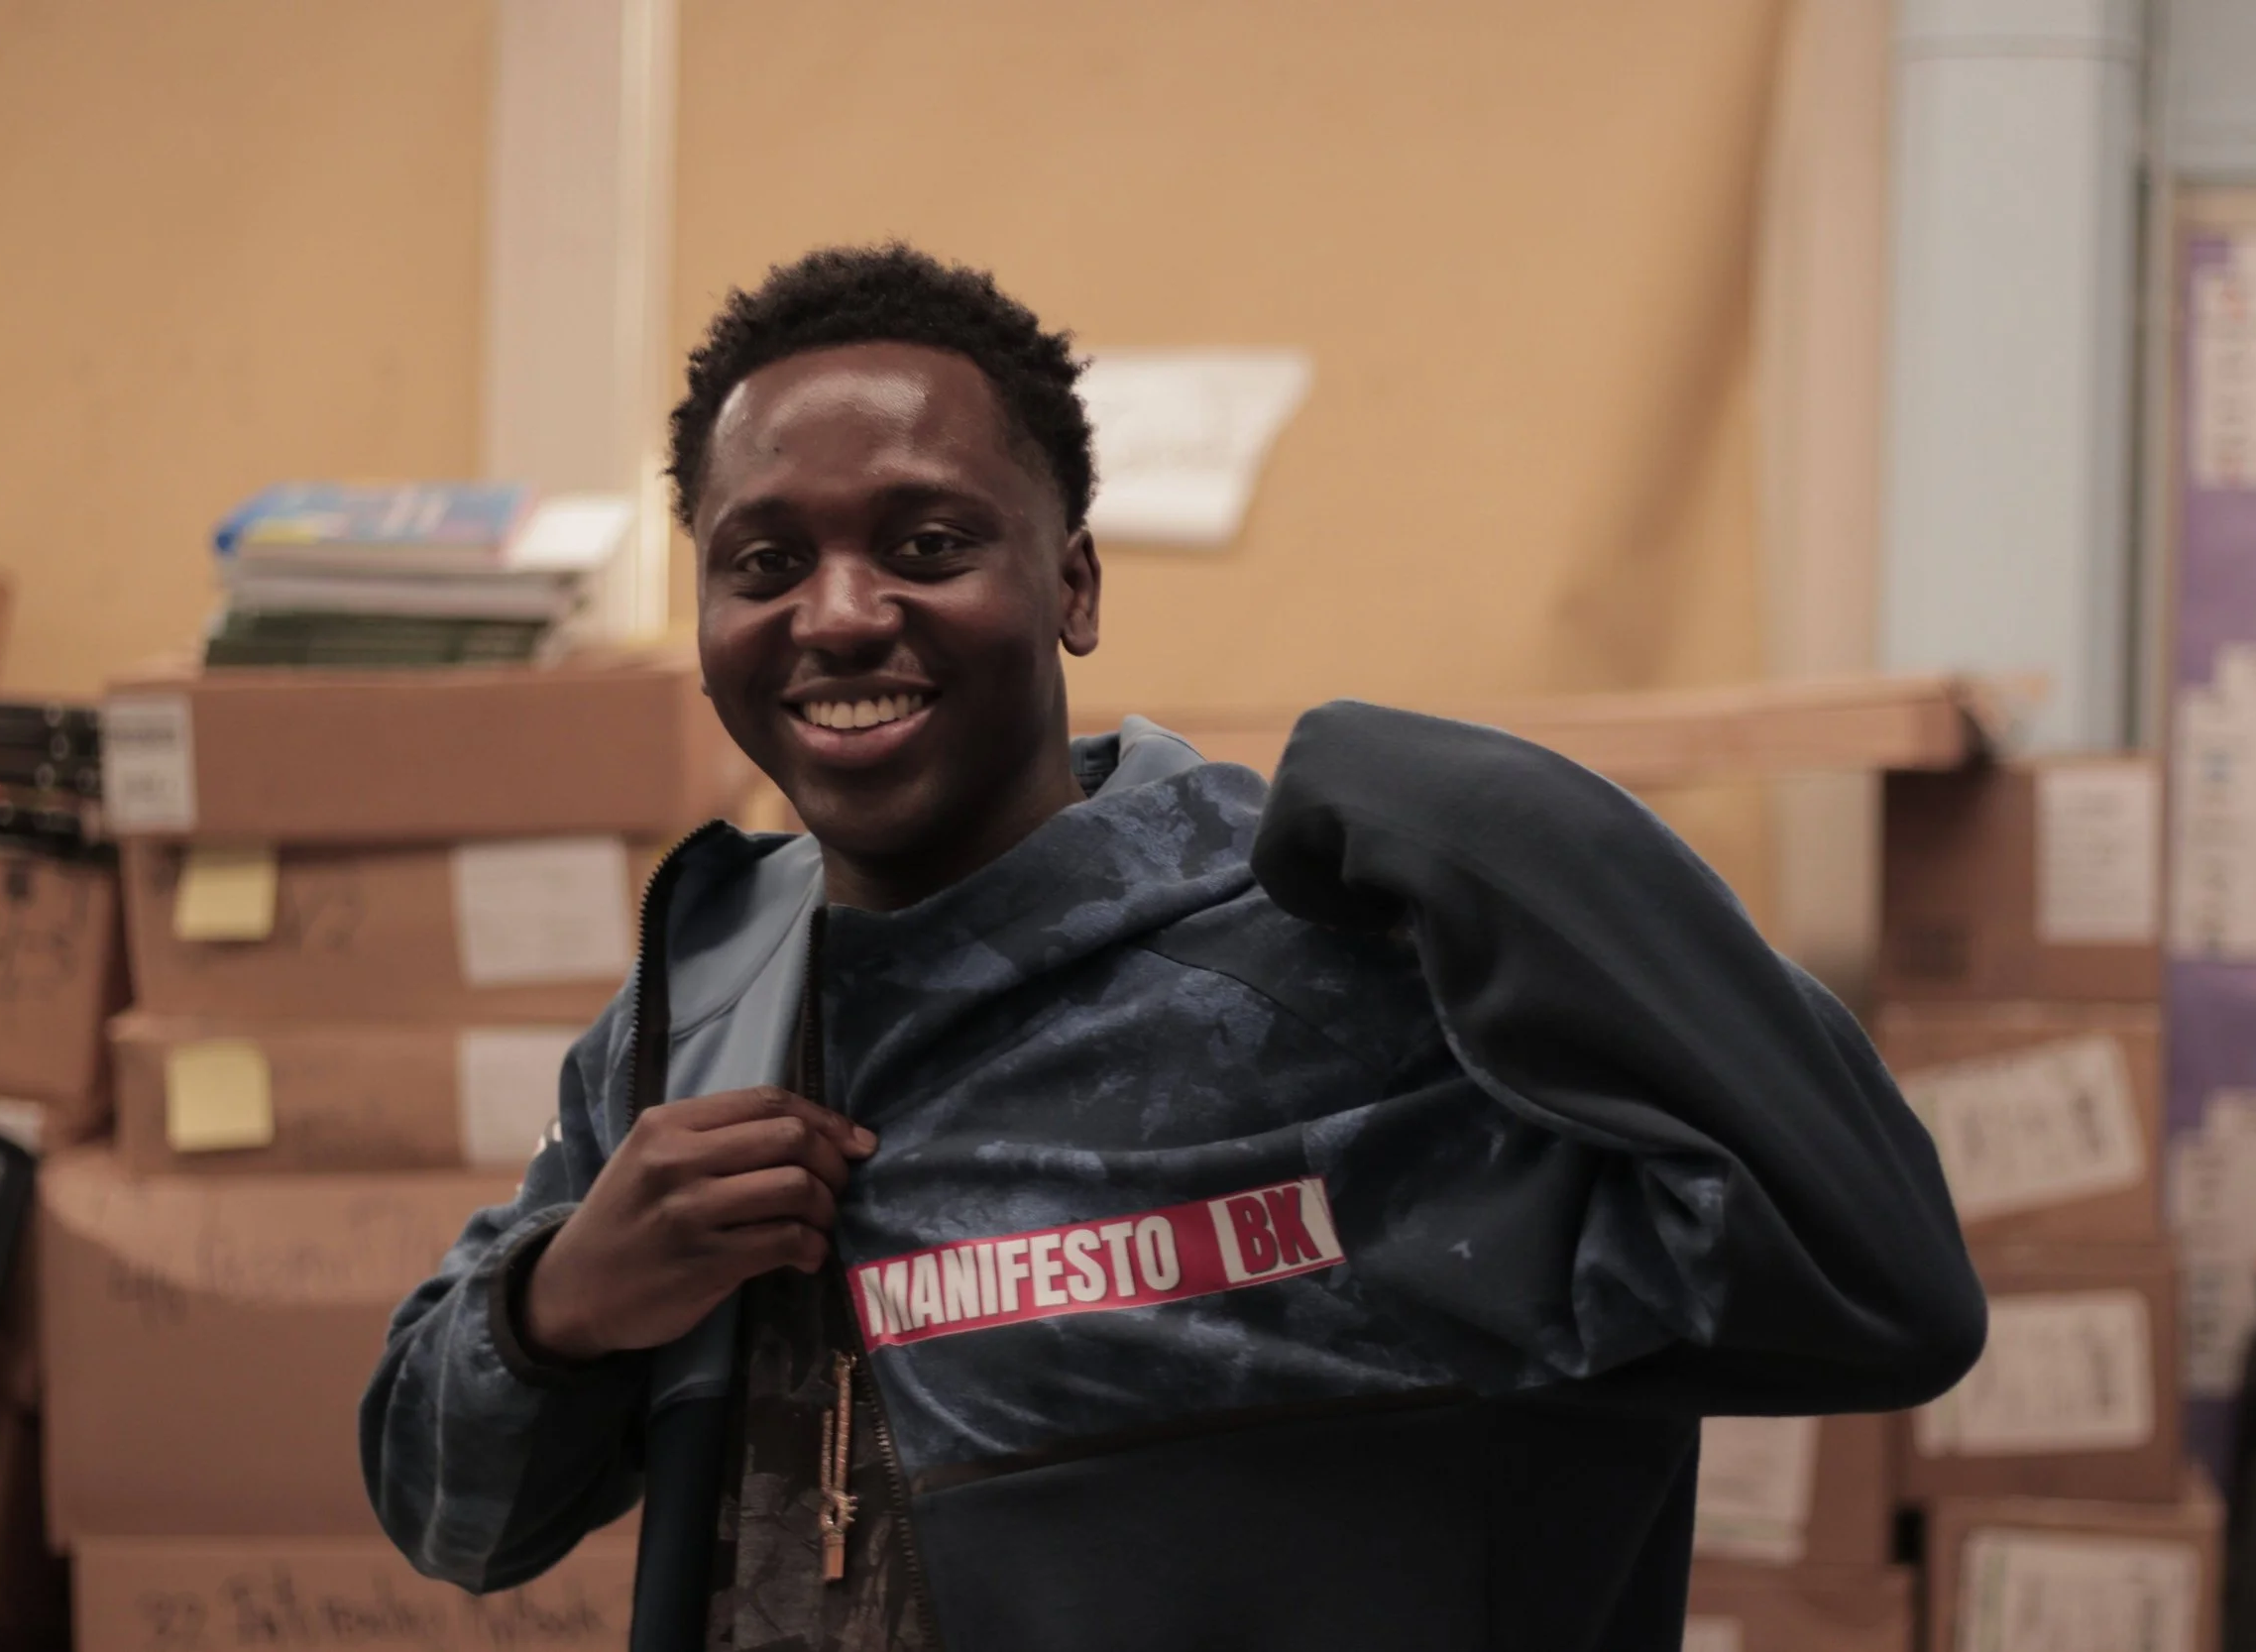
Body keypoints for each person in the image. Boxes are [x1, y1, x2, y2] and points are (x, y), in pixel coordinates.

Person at [362, 244, 1984, 1652]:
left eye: (927, 543)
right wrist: (560, 1305)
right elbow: (451, 1512)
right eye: (763, 561)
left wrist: (1498, 823)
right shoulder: (701, 1006)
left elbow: (1879, 1278)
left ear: (1071, 582)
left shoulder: (1326, 981)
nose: (840, 613)